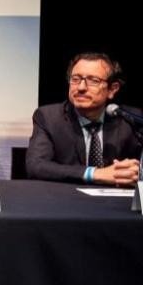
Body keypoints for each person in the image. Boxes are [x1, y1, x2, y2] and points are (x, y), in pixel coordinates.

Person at [26, 52, 141, 186]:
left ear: (112, 89)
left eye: (93, 81)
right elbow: (36, 166)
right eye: (75, 79)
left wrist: (134, 171)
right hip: (68, 201)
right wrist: (94, 173)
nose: (81, 87)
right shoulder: (49, 117)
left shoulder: (129, 119)